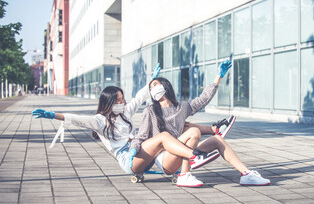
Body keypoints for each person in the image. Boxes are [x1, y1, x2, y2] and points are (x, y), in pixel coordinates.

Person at [31, 65, 217, 178]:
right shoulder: (100, 120)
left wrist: (151, 81)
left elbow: (139, 97)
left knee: (173, 129)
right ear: (109, 102)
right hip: (128, 159)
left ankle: (189, 159)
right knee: (163, 136)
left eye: (122, 98)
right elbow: (78, 120)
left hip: (142, 152)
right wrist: (53, 115)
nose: (122, 102)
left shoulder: (126, 112)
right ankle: (194, 155)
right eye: (118, 100)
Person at [130, 59, 270, 187]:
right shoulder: (150, 111)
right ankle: (189, 166)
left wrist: (218, 77)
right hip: (165, 158)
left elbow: (203, 99)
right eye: (151, 88)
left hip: (181, 152)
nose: (153, 89)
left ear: (165, 86)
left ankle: (246, 174)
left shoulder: (182, 107)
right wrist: (133, 149)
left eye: (155, 84)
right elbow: (141, 136)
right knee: (189, 131)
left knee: (217, 140)